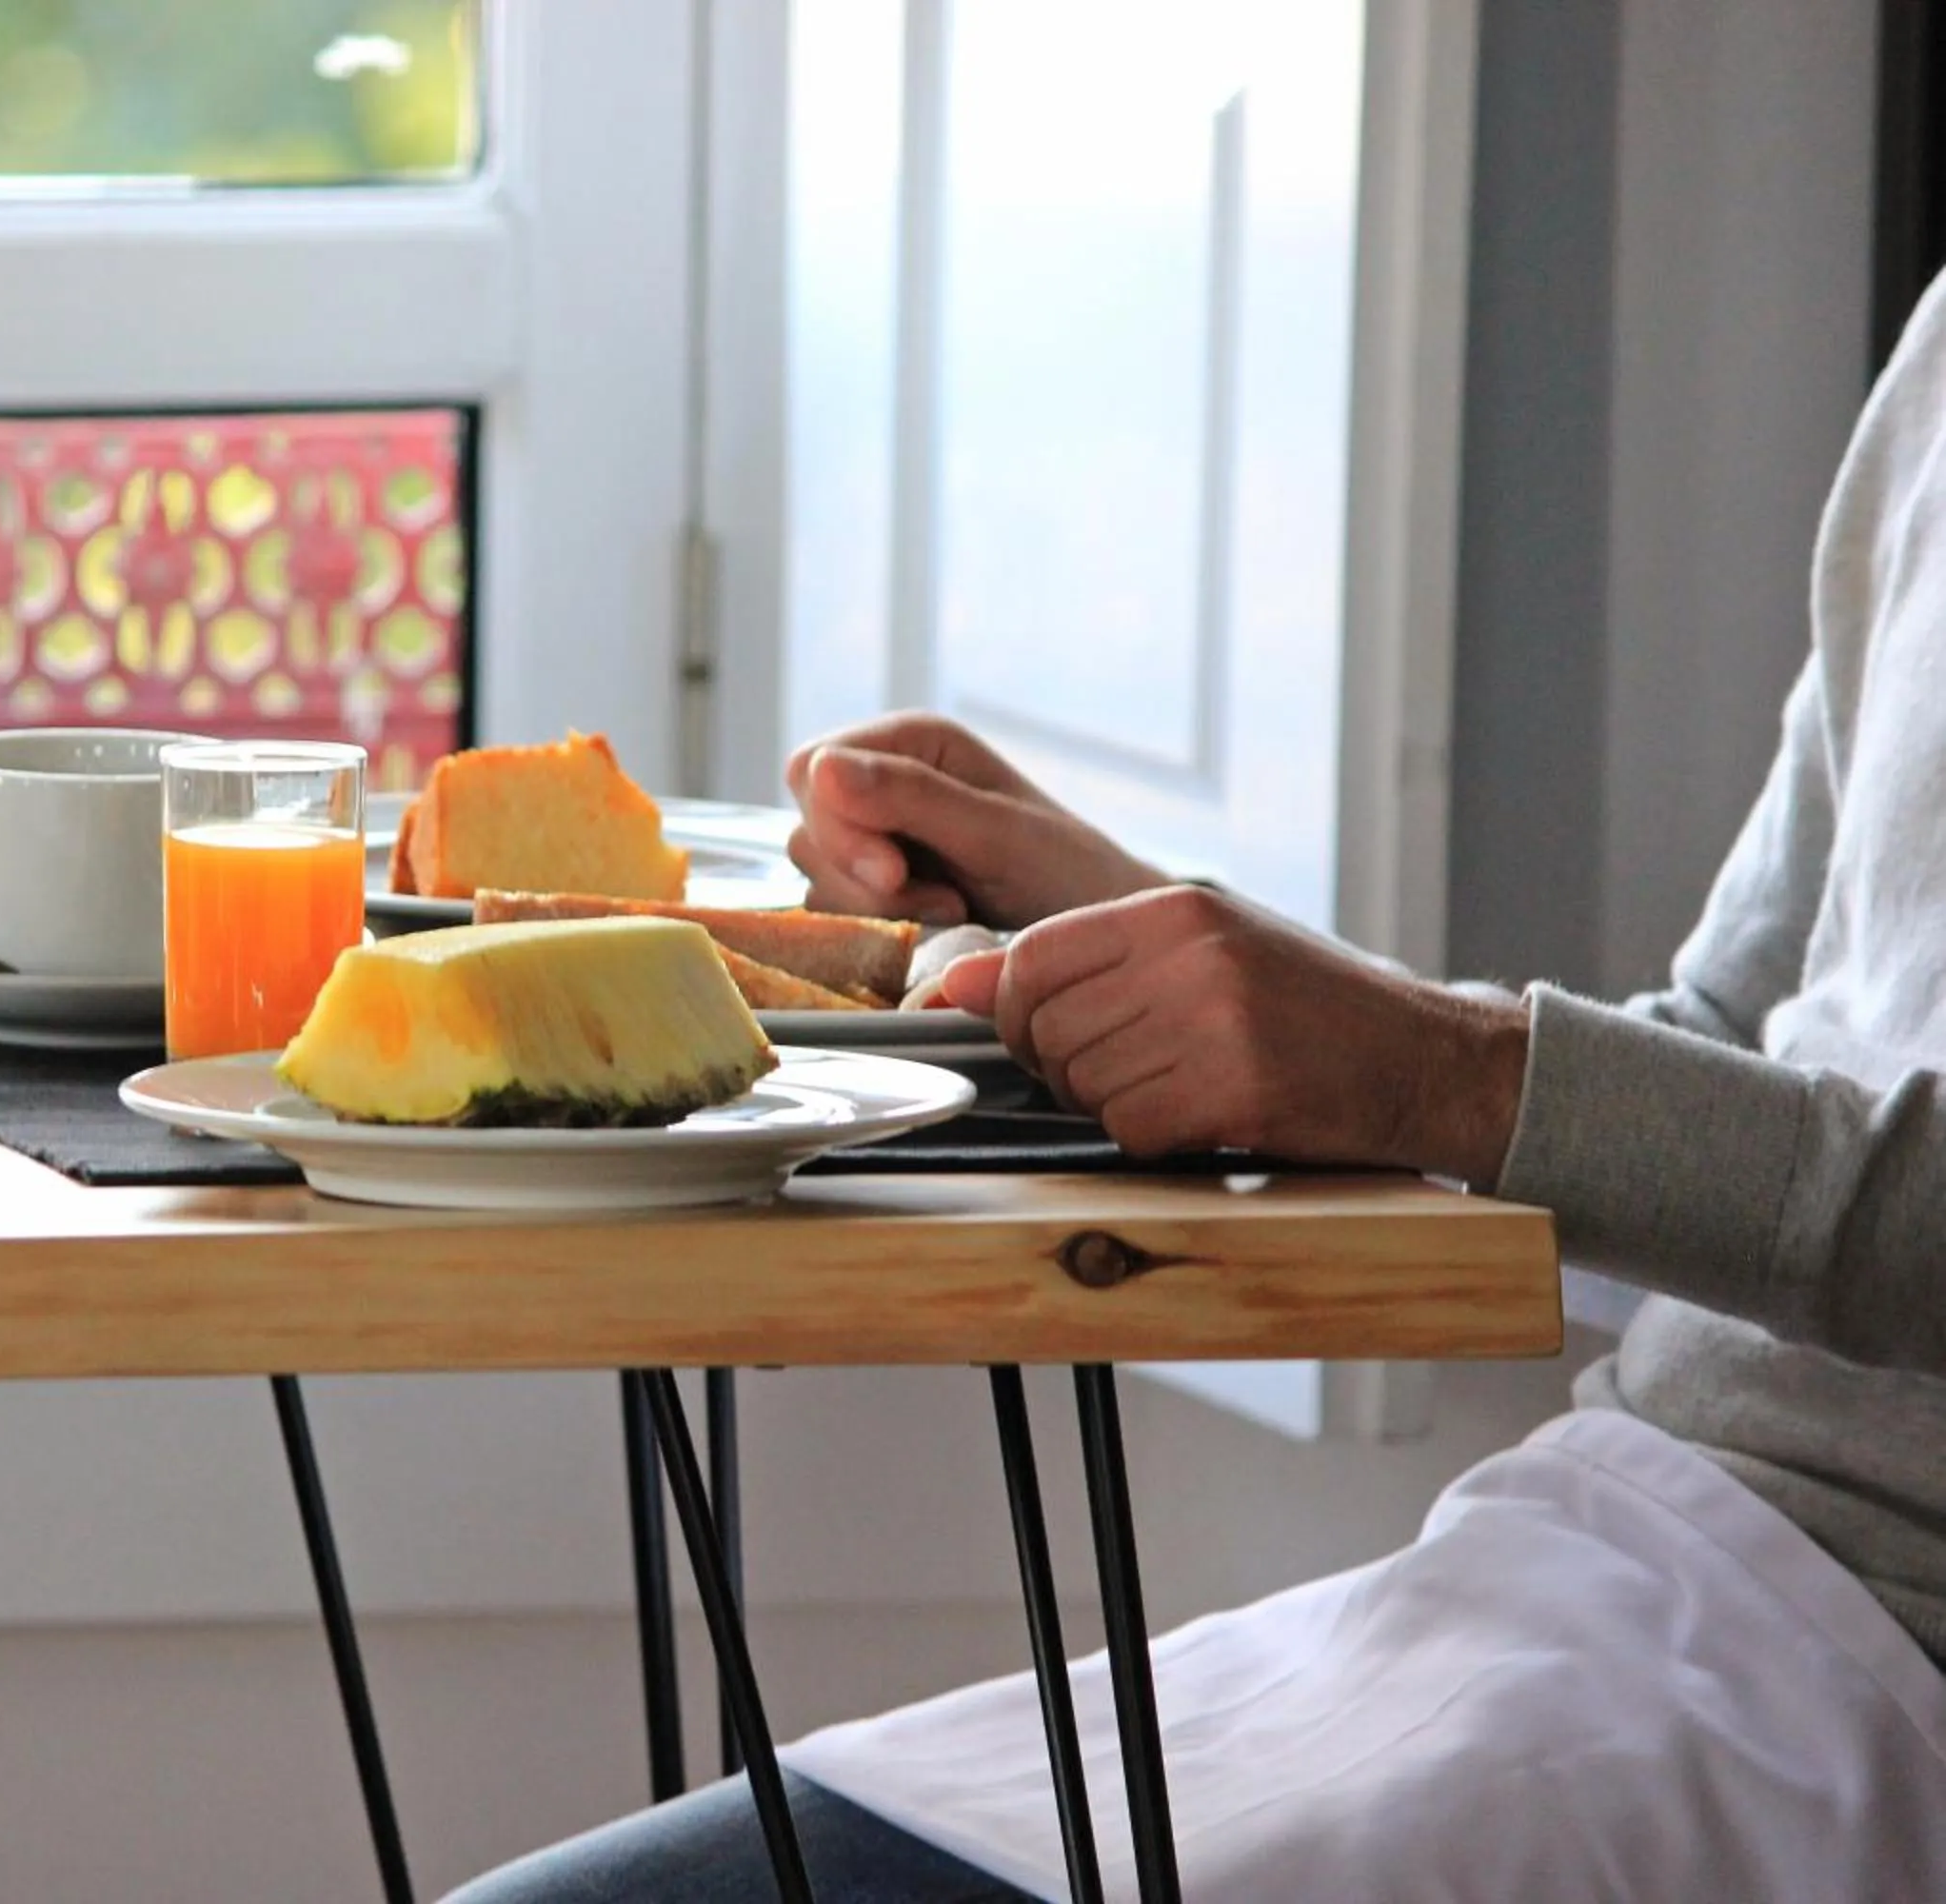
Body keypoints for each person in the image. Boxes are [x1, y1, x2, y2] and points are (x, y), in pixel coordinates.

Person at [441, 278, 1946, 1904]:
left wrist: (1423, 1068)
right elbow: (1729, 1061)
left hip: (1862, 1683)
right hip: (1599, 1556)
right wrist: (1118, 920)